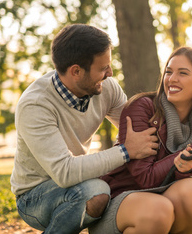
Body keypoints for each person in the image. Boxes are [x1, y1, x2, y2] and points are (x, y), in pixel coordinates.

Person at [10, 24, 159, 234]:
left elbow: (138, 129)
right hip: (35, 196)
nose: (110, 72)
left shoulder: (107, 87)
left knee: (101, 188)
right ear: (76, 71)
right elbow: (65, 172)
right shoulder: (36, 105)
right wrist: (125, 151)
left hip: (79, 181)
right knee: (95, 192)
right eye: (103, 68)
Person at [89, 46, 192, 234]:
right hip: (120, 204)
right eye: (169, 72)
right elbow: (145, 179)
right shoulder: (143, 108)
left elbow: (181, 182)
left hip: (161, 206)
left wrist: (186, 165)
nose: (172, 79)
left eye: (183, 73)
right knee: (159, 210)